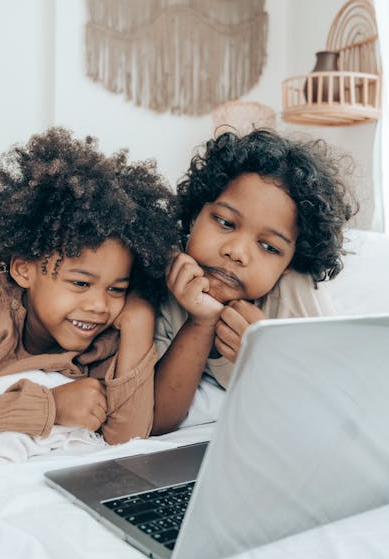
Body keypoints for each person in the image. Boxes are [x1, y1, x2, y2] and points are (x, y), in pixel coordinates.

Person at [0, 127, 178, 455]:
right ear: (23, 268)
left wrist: (140, 319)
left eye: (116, 288)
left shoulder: (103, 327)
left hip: (9, 281)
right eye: (80, 283)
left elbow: (127, 440)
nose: (99, 304)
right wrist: (50, 405)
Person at [153, 129, 358, 434]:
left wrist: (268, 355)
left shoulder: (293, 292)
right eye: (225, 222)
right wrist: (200, 323)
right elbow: (157, 420)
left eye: (269, 247)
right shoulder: (170, 281)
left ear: (288, 265)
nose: (236, 252)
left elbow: (337, 407)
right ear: (196, 214)